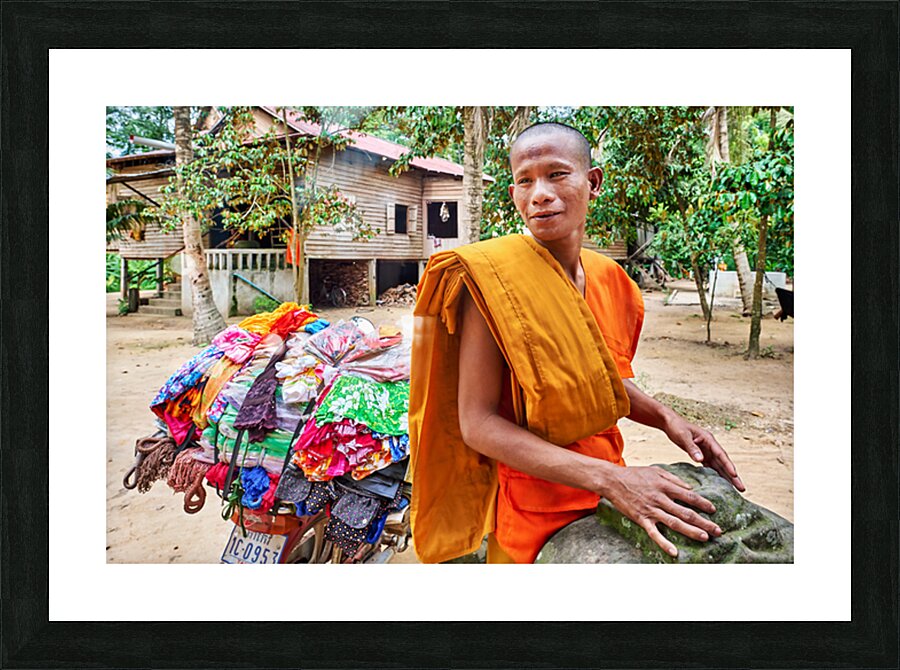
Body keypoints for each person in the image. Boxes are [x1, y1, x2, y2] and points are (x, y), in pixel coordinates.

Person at [408, 122, 745, 564]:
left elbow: (595, 382)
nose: (540, 193)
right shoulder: (494, 282)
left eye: (557, 174)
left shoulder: (614, 281)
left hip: (611, 486)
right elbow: (478, 423)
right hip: (534, 503)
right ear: (514, 195)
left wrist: (667, 419)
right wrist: (610, 480)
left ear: (594, 182)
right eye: (525, 181)